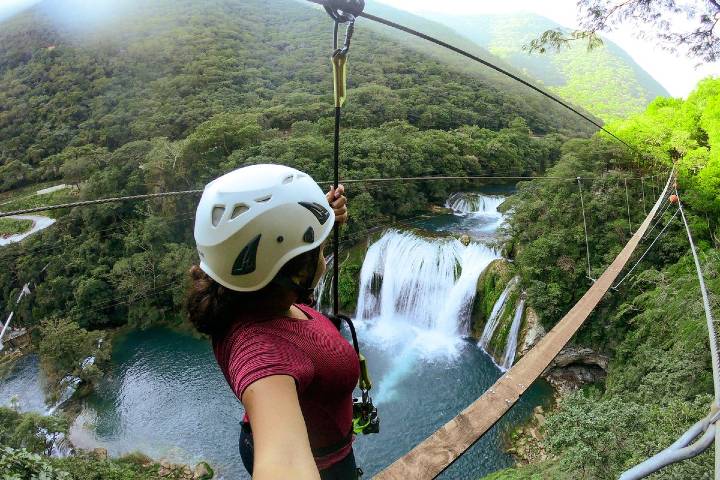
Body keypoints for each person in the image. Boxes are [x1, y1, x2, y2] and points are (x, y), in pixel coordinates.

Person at [186, 164, 360, 480]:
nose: (322, 255)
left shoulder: (250, 296)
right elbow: (285, 464)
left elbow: (279, 263)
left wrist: (317, 217)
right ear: (296, 273)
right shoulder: (261, 351)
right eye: (317, 250)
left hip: (288, 441)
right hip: (326, 467)